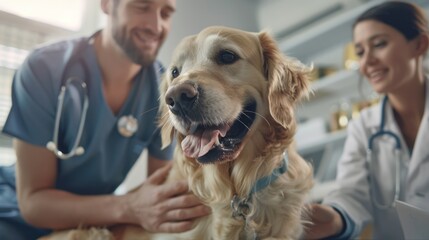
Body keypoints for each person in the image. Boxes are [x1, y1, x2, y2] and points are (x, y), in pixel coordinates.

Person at [0, 0, 210, 239]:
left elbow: (162, 188)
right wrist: (128, 207)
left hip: (97, 221)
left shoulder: (163, 90)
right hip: (12, 217)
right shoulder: (44, 68)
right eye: (142, 6)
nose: (156, 25)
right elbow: (33, 203)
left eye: (166, 13)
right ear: (107, 4)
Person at [305, 1, 429, 239]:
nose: (367, 61)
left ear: (419, 44)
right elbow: (351, 192)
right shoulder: (364, 127)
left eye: (379, 44)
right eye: (360, 52)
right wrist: (335, 217)